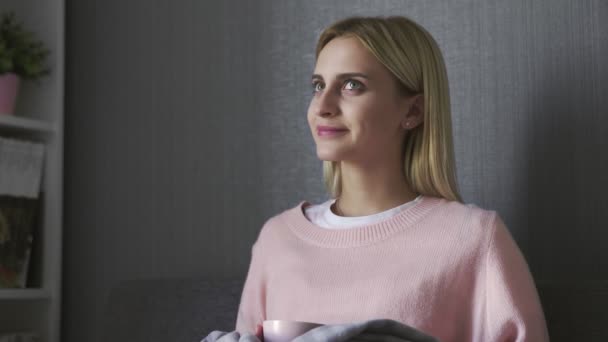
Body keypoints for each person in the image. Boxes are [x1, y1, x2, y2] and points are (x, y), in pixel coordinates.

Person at [235, 16, 549, 341]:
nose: (322, 106)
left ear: (412, 111)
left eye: (351, 85)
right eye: (318, 86)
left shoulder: (474, 238)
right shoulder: (277, 239)